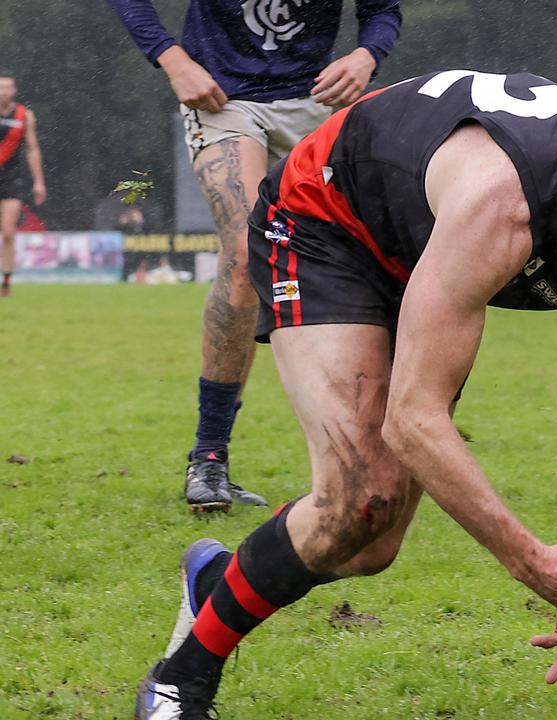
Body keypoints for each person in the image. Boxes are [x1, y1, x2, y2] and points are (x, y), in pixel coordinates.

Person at [132, 72, 557, 719]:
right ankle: (179, 681)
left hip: (426, 249)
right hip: (328, 221)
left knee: (370, 545)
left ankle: (219, 578)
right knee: (359, 499)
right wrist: (532, 561)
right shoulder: (507, 205)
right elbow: (413, 419)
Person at [107, 0, 402, 512]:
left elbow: (383, 9)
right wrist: (172, 58)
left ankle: (379, 449)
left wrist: (365, 55)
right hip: (226, 100)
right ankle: (209, 457)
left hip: (318, 102)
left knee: (369, 260)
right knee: (246, 255)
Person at [0, 69, 47, 298]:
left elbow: (32, 149)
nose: (5, 91)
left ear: (15, 90)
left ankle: (6, 282)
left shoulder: (24, 115)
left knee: (9, 233)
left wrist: (39, 181)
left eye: (9, 87)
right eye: (1, 87)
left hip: (10, 179)